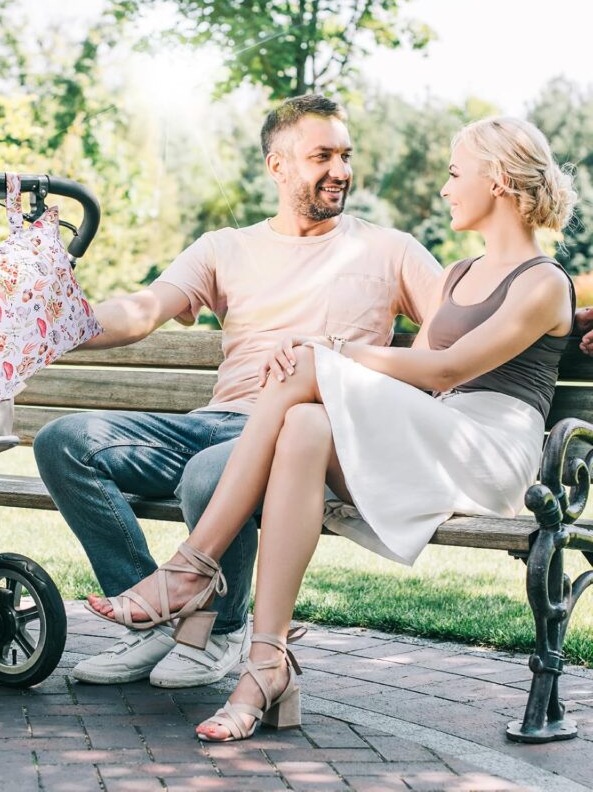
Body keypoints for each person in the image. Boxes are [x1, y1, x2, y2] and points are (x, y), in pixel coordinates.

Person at [86, 115, 578, 742]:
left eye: (456, 174)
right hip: (441, 432)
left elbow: (446, 368)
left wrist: (332, 351)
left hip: (489, 453)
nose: (447, 189)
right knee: (306, 424)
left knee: (311, 367)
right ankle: (265, 662)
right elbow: (415, 381)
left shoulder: (542, 281)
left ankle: (189, 569)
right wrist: (331, 372)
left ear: (500, 180)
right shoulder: (457, 275)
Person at [33, 94, 443, 688]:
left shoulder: (388, 249)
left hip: (299, 435)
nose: (341, 171)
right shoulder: (225, 247)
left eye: (346, 155)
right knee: (64, 440)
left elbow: (454, 325)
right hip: (216, 420)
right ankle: (153, 622)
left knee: (209, 472)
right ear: (278, 166)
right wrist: (54, 325)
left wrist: (364, 370)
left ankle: (220, 629)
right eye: (322, 155)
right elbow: (143, 310)